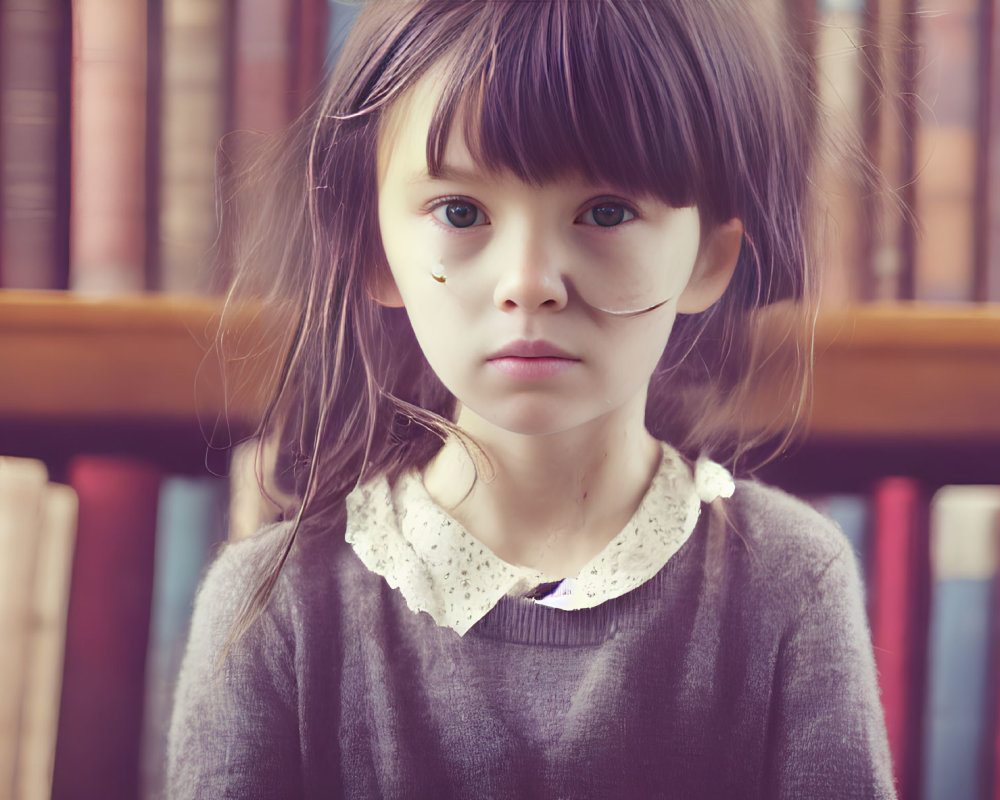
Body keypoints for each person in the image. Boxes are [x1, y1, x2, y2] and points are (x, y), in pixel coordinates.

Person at [168, 1, 896, 797]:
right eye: (460, 212)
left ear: (708, 262)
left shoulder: (787, 583)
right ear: (372, 249)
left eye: (607, 212)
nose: (529, 284)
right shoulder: (276, 611)